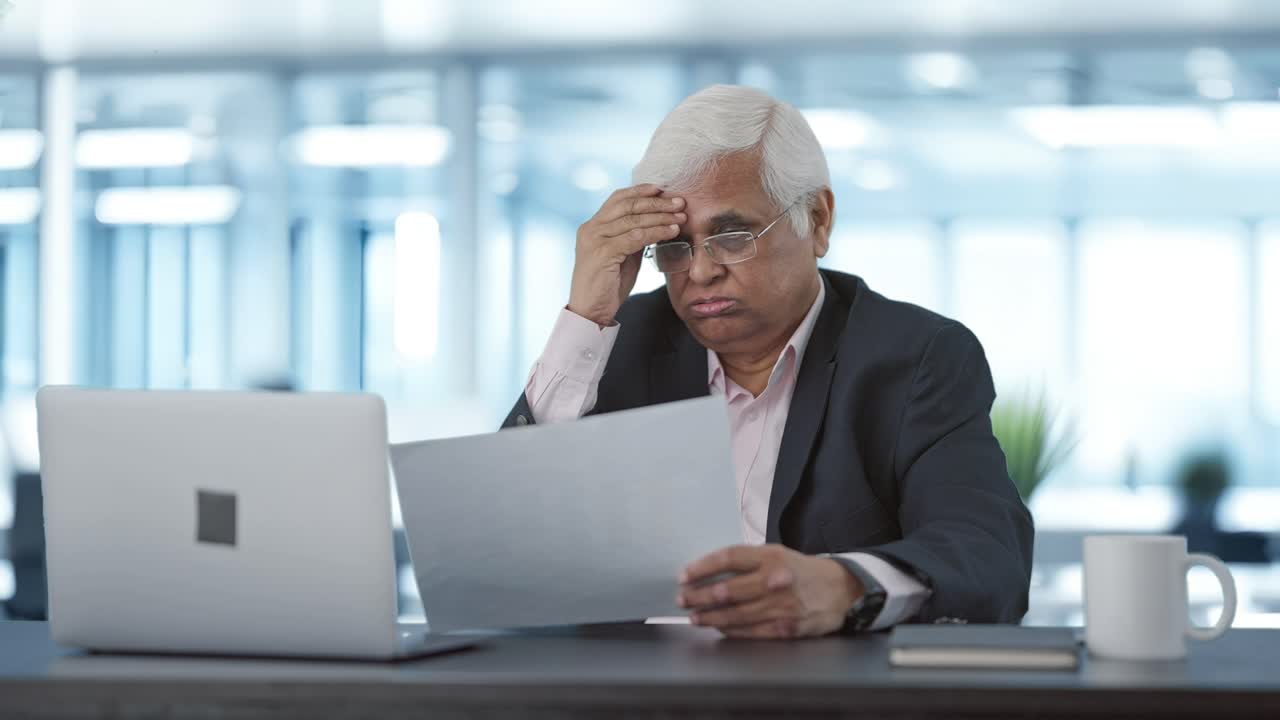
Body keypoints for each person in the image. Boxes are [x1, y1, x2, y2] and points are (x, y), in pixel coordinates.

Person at [503, 85, 1033, 639]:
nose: (700, 272)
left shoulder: (913, 356)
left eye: (731, 236)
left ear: (817, 221)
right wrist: (582, 320)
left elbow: (987, 555)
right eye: (674, 245)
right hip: (630, 690)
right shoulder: (615, 343)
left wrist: (845, 586)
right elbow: (498, 547)